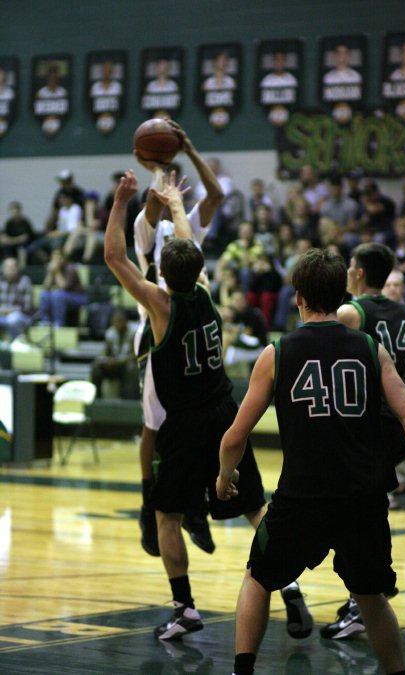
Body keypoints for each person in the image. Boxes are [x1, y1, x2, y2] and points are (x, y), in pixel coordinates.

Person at [216, 247, 405, 675]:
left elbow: (235, 434)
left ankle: (242, 671)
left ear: (298, 295)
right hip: (362, 496)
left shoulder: (277, 353)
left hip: (301, 496)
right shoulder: (369, 347)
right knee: (371, 596)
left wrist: (224, 476)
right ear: (343, 290)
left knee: (258, 577)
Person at [105, 170, 311, 642]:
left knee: (167, 516)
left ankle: (184, 609)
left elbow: (114, 255)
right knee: (255, 506)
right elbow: (185, 246)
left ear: (161, 274)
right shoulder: (205, 290)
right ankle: (291, 583)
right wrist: (177, 206)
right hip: (223, 413)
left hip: (183, 426)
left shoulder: (160, 304)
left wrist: (122, 200)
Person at [321, 242, 405, 640]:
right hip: (399, 431)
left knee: (348, 513)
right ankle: (366, 592)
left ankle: (369, 592)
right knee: (365, 510)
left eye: (350, 267)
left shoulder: (350, 312)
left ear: (357, 272)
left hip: (365, 429)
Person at [133, 121, 224, 557]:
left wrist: (186, 147)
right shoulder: (146, 225)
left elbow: (216, 194)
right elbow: (151, 208)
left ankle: (194, 508)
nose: (168, 186)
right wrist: (157, 172)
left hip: (192, 328)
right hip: (157, 334)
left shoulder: (188, 230)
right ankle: (149, 503)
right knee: (155, 425)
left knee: (194, 421)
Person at [91, 308, 139, 399]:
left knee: (131, 368)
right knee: (96, 366)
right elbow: (104, 352)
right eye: (115, 322)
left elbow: (134, 355)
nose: (118, 324)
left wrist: (117, 361)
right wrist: (105, 360)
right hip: (113, 365)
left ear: (126, 321)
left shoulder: (134, 333)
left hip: (126, 365)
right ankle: (96, 399)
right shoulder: (110, 333)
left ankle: (129, 402)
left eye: (120, 321)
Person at [38, 249, 88, 326]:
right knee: (44, 294)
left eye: (58, 257)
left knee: (58, 295)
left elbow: (64, 287)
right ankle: (45, 321)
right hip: (61, 296)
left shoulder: (70, 268)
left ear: (64, 258)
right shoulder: (52, 268)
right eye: (54, 258)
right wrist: (51, 272)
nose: (56, 260)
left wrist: (57, 271)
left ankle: (58, 323)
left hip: (78, 297)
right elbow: (46, 287)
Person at [0, 257, 33, 340]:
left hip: (22, 316)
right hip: (1, 316)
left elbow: (26, 308)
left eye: (13, 266)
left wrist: (8, 311)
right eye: (8, 267)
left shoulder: (25, 281)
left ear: (18, 268)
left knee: (12, 319)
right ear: (3, 269)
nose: (11, 269)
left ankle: (16, 344)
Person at [1, 201, 36, 267]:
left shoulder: (25, 222)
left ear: (19, 211)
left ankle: (22, 267)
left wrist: (11, 241)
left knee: (21, 249)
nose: (14, 213)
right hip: (12, 244)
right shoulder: (9, 223)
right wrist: (8, 240)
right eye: (12, 211)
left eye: (15, 211)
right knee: (5, 247)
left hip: (26, 244)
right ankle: (6, 267)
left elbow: (24, 238)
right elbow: (5, 237)